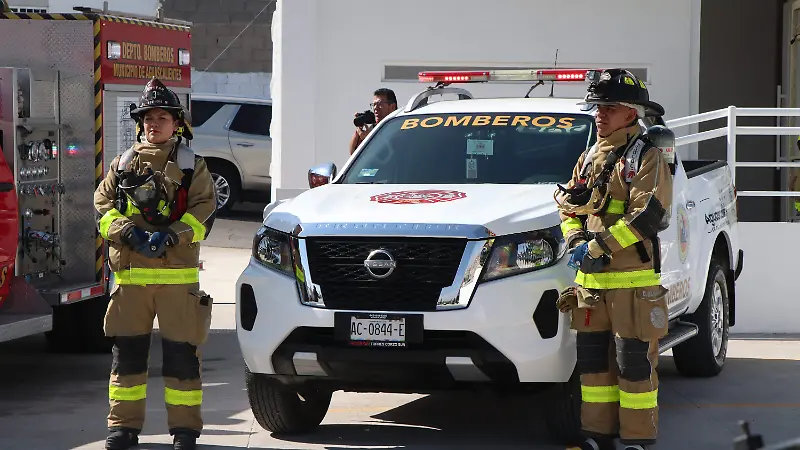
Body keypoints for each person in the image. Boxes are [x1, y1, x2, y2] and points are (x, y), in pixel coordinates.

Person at [94, 77, 217, 450]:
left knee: (182, 358)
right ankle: (123, 429)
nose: (153, 124)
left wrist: (173, 234)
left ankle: (184, 431)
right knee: (127, 359)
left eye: (162, 117)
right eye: (148, 117)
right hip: (131, 282)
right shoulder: (122, 164)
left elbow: (204, 213)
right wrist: (126, 231)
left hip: (177, 282)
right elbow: (101, 207)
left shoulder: (192, 166)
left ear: (177, 123)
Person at [554, 69, 673, 450]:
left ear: (632, 113)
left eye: (609, 107)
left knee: (633, 368)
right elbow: (568, 205)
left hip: (632, 288)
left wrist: (594, 248)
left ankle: (637, 441)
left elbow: (647, 217)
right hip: (590, 290)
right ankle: (597, 437)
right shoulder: (590, 156)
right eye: (597, 107)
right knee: (593, 369)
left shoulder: (648, 156)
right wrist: (573, 236)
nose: (599, 114)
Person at [348, 87, 398, 155]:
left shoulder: (399, 127)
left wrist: (369, 139)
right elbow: (353, 153)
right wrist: (358, 132)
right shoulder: (374, 128)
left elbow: (389, 153)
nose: (375, 108)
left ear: (392, 107)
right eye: (374, 104)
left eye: (379, 104)